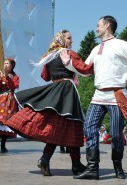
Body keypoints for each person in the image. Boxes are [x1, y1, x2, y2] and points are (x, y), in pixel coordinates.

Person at [5, 30, 89, 176]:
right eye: (69, 38)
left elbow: (45, 76)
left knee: (58, 127)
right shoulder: (68, 53)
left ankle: (48, 159)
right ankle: (74, 164)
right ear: (61, 40)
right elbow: (83, 68)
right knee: (73, 124)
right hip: (67, 90)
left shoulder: (49, 56)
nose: (72, 41)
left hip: (55, 89)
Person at [60, 15, 126, 180]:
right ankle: (92, 168)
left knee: (117, 134)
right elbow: (86, 69)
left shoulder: (122, 45)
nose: (96, 28)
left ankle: (118, 166)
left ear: (107, 25)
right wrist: (69, 63)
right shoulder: (96, 49)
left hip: (116, 94)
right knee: (89, 127)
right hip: (98, 94)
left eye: (98, 25)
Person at [0, 58, 19, 153]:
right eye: (4, 63)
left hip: (9, 101)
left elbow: (13, 86)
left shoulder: (15, 76)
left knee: (5, 122)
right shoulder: (0, 75)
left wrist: (7, 77)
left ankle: (3, 145)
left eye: (7, 64)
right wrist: (0, 78)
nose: (5, 65)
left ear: (12, 66)